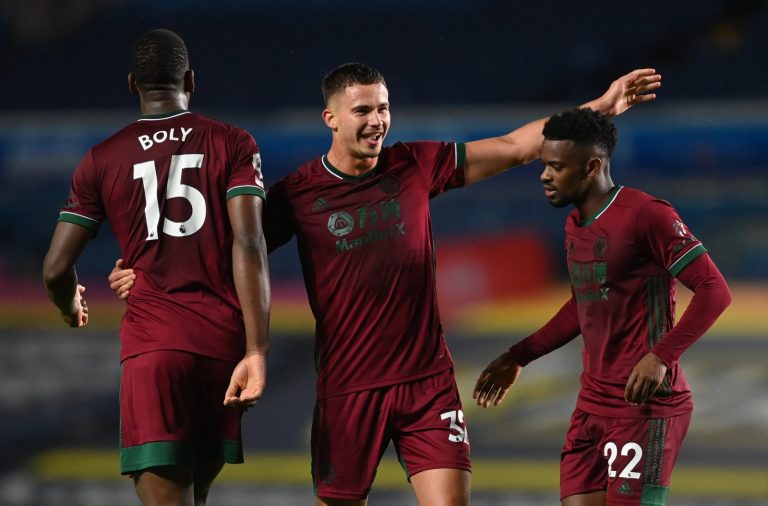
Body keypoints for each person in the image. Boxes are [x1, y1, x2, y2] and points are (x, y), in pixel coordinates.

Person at [110, 62, 662, 505]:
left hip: (427, 385)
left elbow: (517, 146)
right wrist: (148, 275)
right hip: (347, 391)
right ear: (329, 117)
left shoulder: (417, 164)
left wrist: (599, 108)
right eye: (363, 110)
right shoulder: (296, 195)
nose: (377, 120)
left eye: (384, 108)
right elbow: (225, 252)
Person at [42, 28, 270, 506]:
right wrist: (256, 348)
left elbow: (55, 269)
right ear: (190, 79)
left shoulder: (102, 159)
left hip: (155, 351)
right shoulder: (232, 142)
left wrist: (70, 304)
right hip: (221, 349)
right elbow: (249, 243)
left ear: (131, 85)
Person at [473, 107, 731, 505]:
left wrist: (660, 357)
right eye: (545, 165)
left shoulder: (646, 215)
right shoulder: (575, 224)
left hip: (643, 407)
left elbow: (714, 290)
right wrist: (519, 355)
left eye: (556, 167)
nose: (544, 175)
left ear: (592, 165)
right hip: (590, 405)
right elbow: (584, 304)